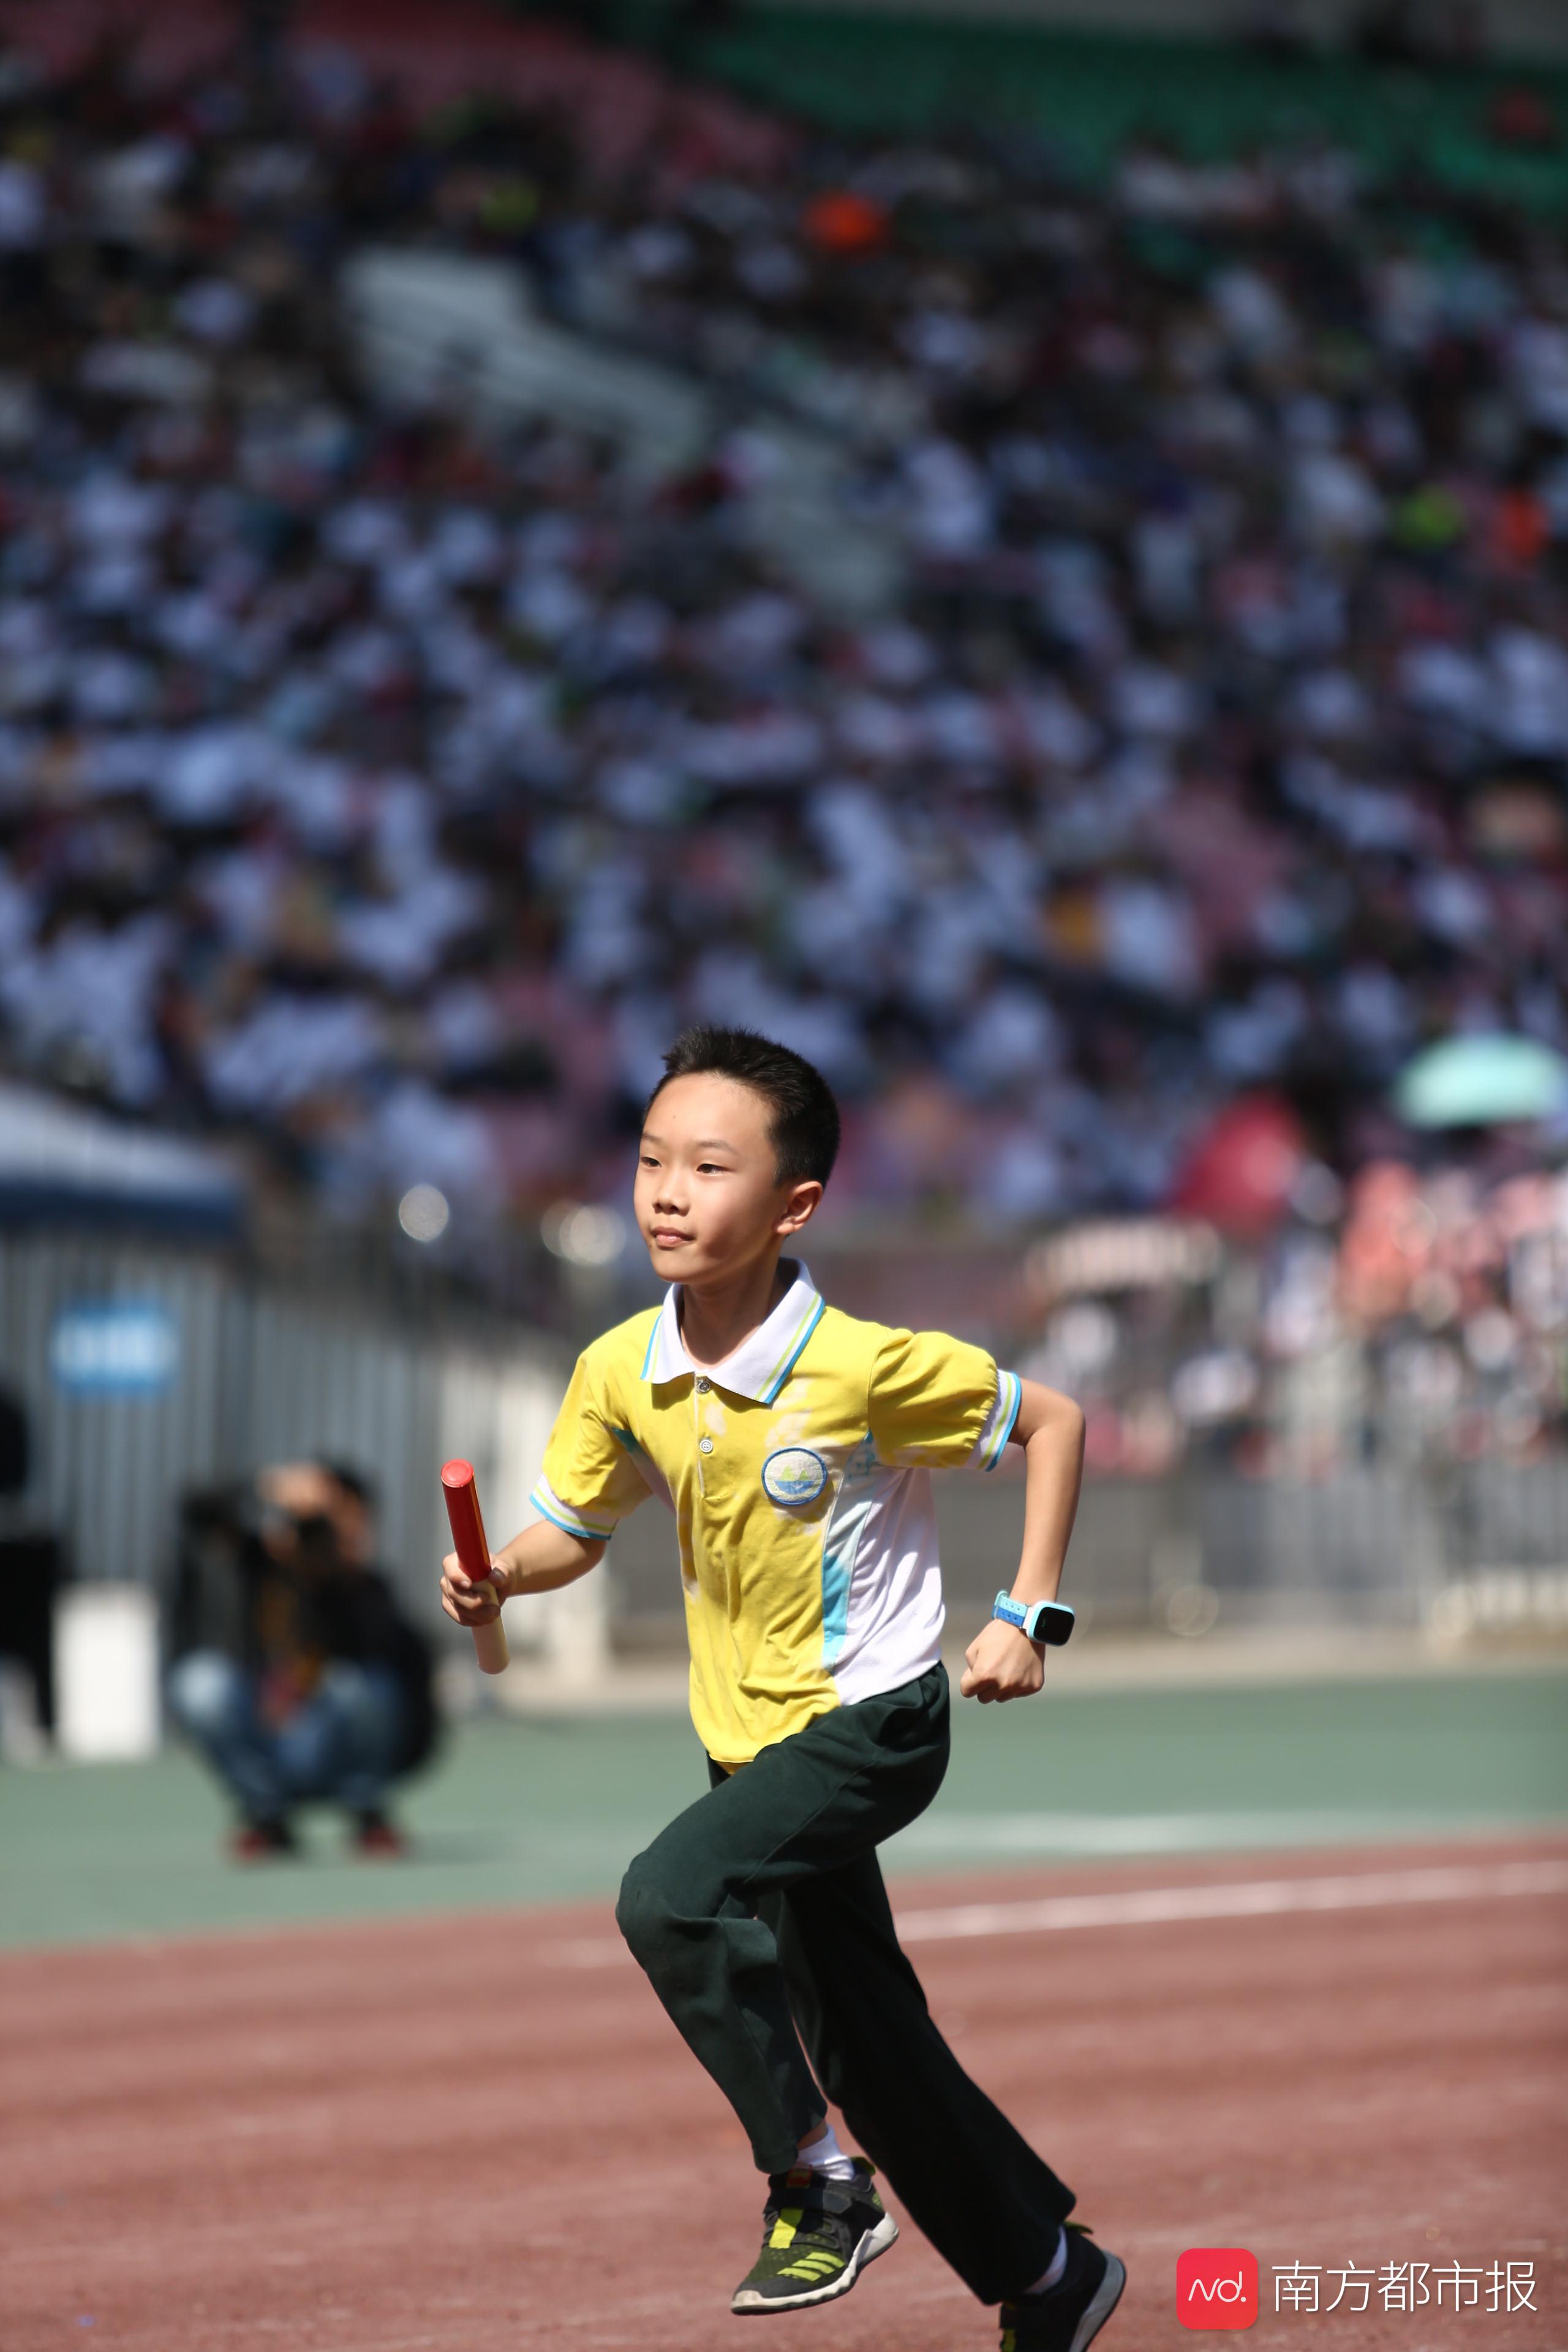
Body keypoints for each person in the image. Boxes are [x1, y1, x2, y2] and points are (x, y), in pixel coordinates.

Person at [440, 1027, 1125, 2351]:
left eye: (708, 1166)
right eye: (650, 1161)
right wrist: (504, 1580)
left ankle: (812, 2182)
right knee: (868, 2041)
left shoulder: (860, 1367)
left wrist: (1023, 1615)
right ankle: (1047, 2277)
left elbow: (1054, 1422)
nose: (666, 1192)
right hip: (743, 1746)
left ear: (794, 1205)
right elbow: (572, 1526)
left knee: (671, 1898)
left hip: (869, 1724)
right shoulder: (616, 1370)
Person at [171, 1460, 436, 1858]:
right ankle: (266, 1815)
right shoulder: (256, 1564)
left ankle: (367, 1810)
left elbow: (385, 1675)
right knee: (199, 1682)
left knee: (361, 1683)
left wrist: (335, 1570)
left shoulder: (367, 1589)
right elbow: (195, 1512)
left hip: (332, 1747)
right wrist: (262, 1487)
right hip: (268, 1740)